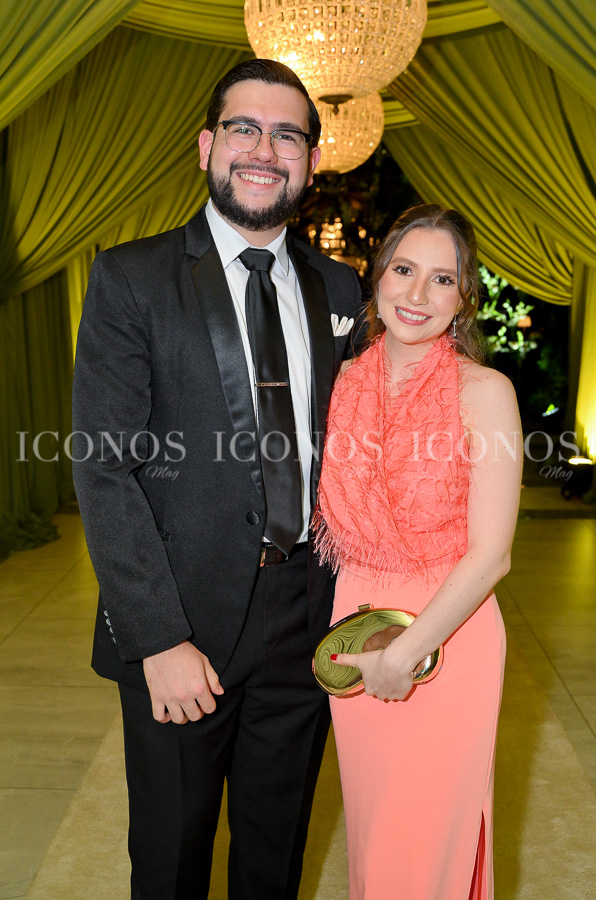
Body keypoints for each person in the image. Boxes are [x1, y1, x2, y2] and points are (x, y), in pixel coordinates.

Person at [72, 59, 361, 900]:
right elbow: (104, 467)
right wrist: (157, 638)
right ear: (207, 145)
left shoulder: (340, 286)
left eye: (287, 136)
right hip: (181, 620)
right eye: (244, 128)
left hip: (305, 617)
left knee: (275, 857)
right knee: (171, 859)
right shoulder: (133, 277)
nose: (264, 150)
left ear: (311, 161)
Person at [313, 204, 522, 899]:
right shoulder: (340, 381)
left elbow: (491, 556)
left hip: (449, 636)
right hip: (354, 627)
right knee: (376, 836)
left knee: (429, 840)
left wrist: (405, 653)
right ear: (376, 277)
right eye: (404, 270)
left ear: (464, 299)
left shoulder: (486, 393)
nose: (417, 294)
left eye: (442, 279)